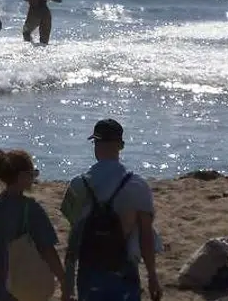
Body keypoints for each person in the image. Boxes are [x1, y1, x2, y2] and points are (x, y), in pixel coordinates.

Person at [60, 119, 162, 301]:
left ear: (95, 144)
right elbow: (145, 236)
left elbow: (74, 235)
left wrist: (67, 282)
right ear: (121, 145)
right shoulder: (137, 185)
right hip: (123, 266)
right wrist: (152, 276)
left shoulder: (78, 184)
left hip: (89, 266)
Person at [0, 148, 70, 301]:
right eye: (32, 174)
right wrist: (63, 279)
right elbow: (47, 250)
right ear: (21, 176)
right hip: (24, 286)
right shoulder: (31, 208)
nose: (34, 179)